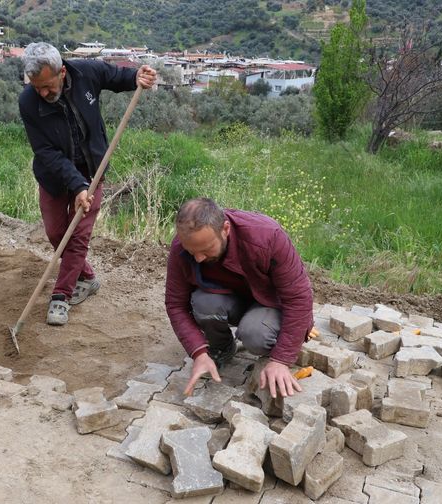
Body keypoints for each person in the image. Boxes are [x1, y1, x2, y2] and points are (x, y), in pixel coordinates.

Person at [19, 42, 156, 326]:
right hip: (54, 173)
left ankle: (61, 296)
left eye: (47, 86)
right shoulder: (28, 102)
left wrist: (136, 77)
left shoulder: (87, 72)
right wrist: (76, 184)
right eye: (36, 87)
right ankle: (88, 277)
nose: (43, 93)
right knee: (58, 233)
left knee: (78, 234)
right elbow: (46, 152)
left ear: (62, 72)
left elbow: (116, 77)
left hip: (93, 168)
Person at [165, 198, 314, 399]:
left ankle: (269, 350)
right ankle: (223, 348)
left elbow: (299, 298)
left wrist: (281, 360)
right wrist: (198, 352)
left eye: (206, 250)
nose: (198, 258)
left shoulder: (267, 236)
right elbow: (175, 304)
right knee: (203, 303)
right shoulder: (181, 247)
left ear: (225, 229)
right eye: (193, 252)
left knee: (255, 335)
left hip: (269, 302)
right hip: (231, 299)